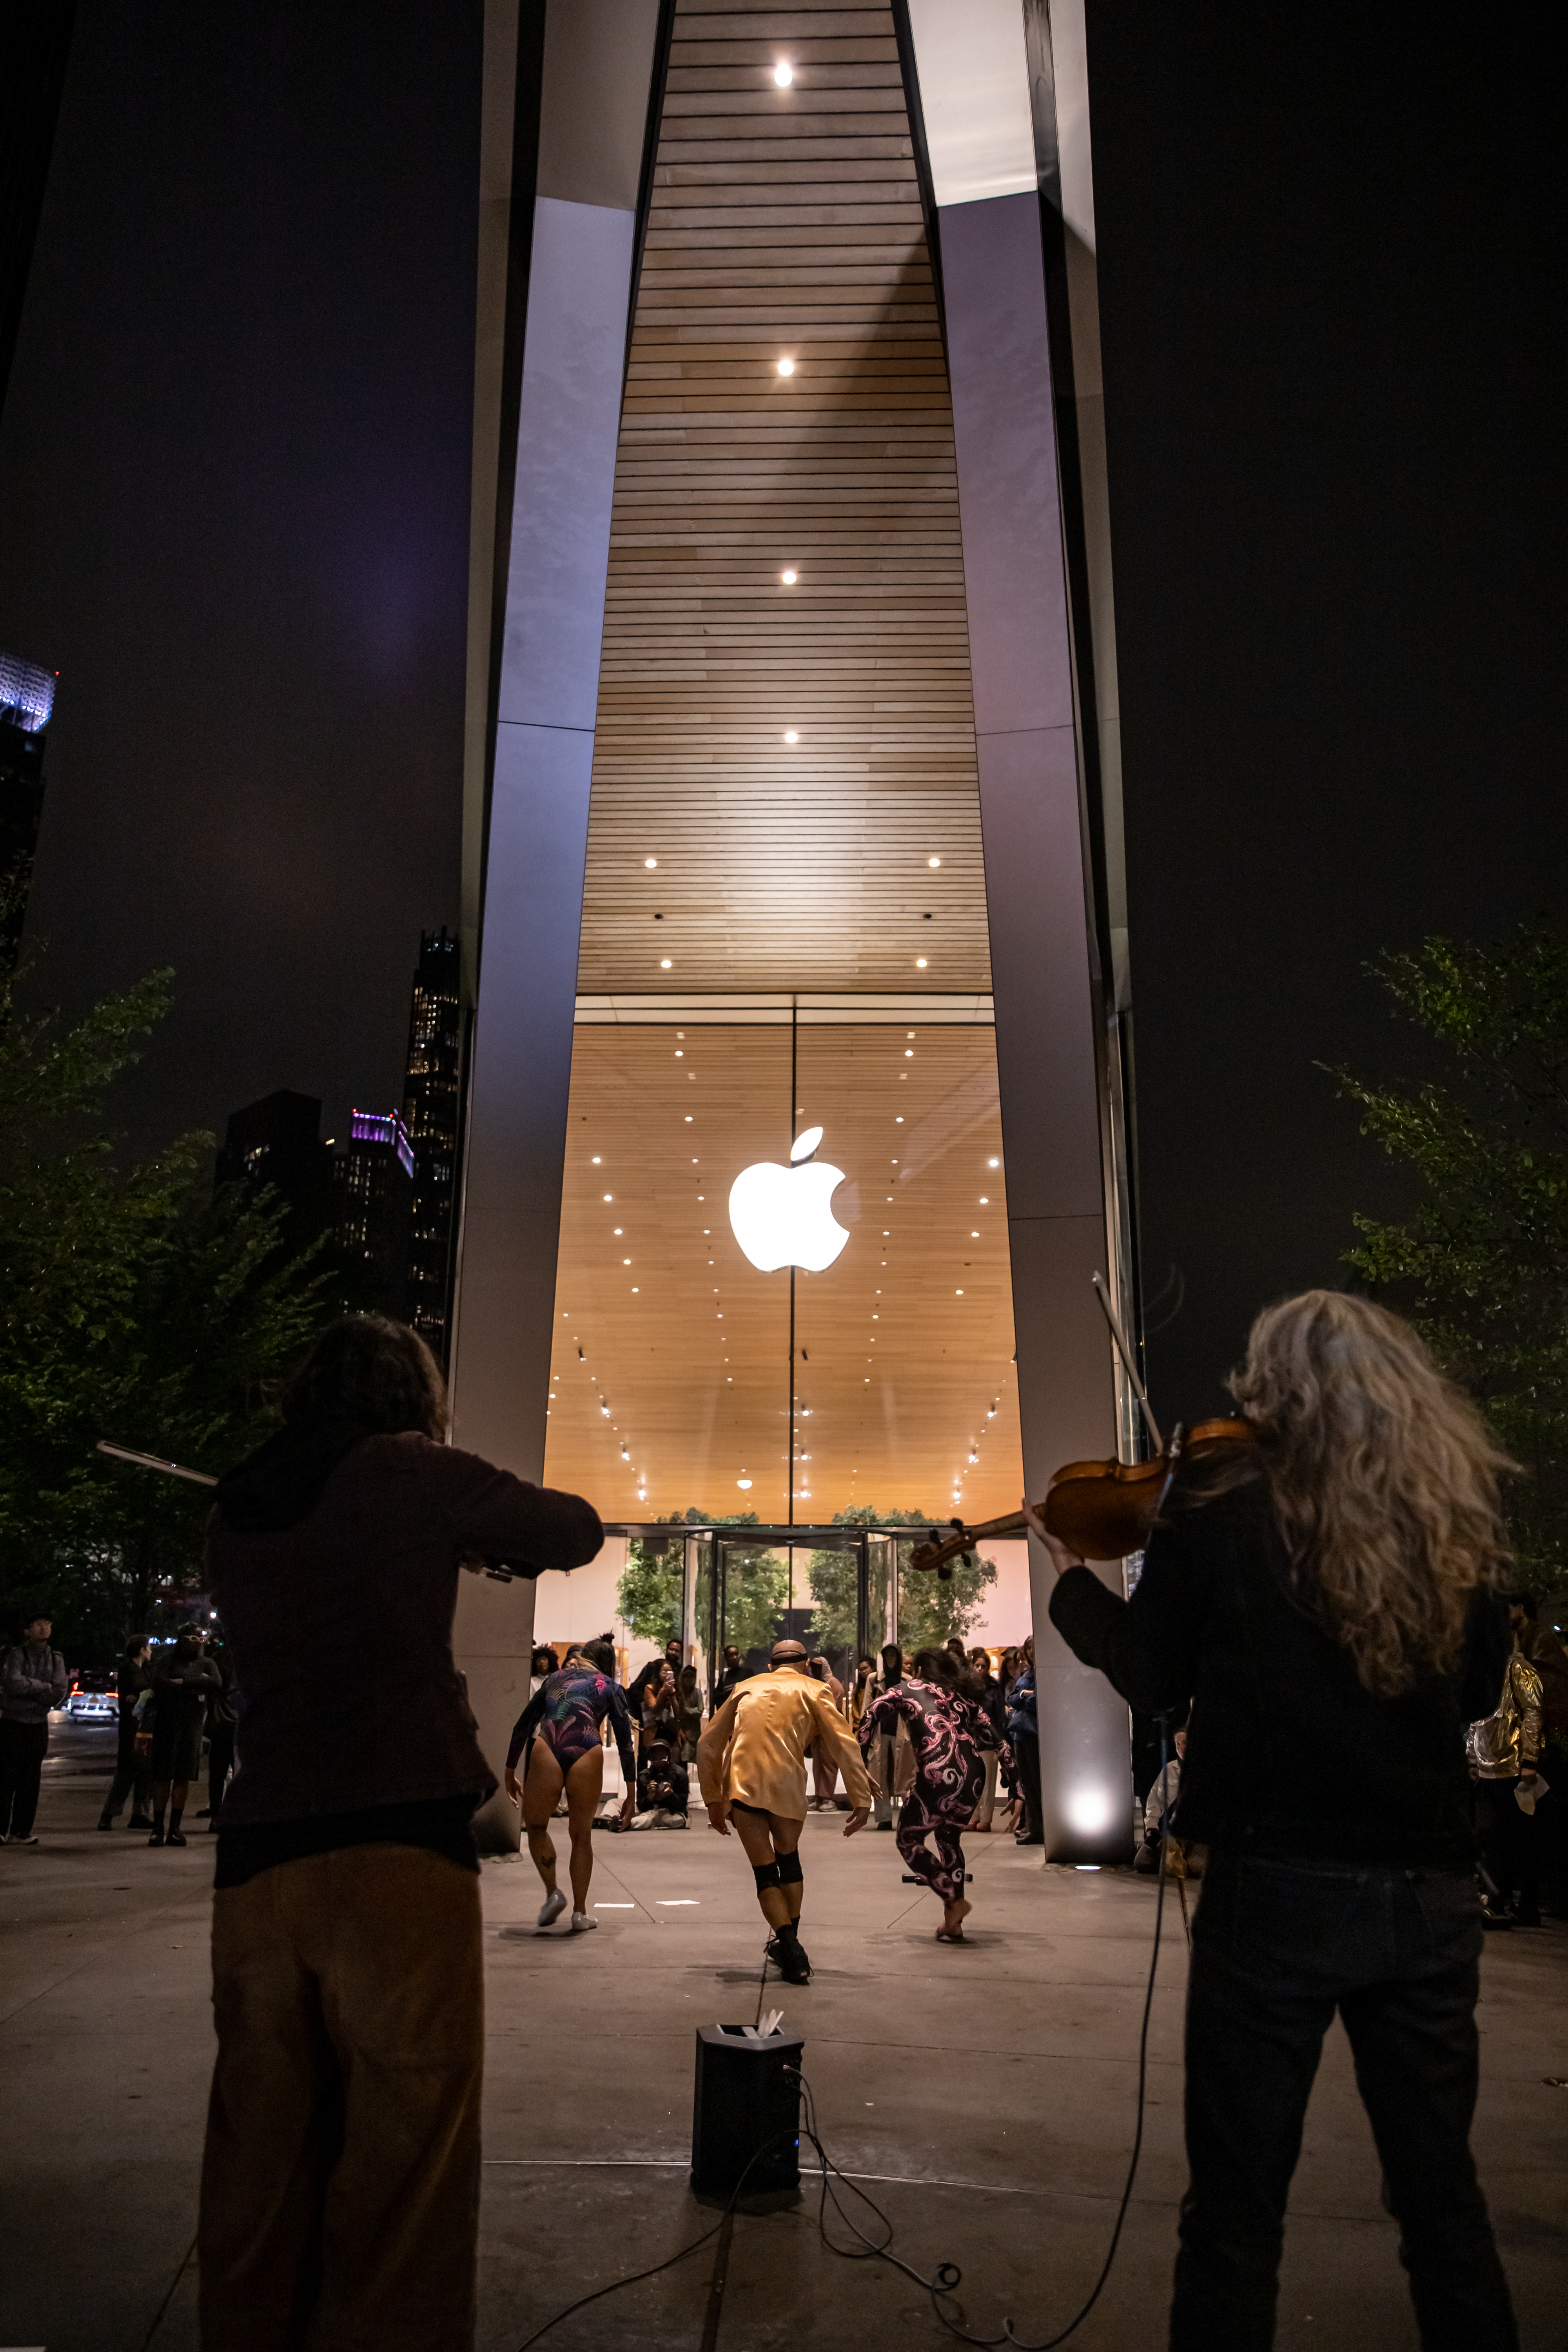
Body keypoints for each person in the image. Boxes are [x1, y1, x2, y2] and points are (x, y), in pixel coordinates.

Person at [1034, 1289, 1519, 2351]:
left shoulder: (1221, 1501)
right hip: (1432, 1896)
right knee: (1444, 2205)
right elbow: (1480, 1691)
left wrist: (1075, 1588)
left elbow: (1155, 1678)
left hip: (1277, 1888)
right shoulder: (1450, 1514)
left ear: (1273, 1387)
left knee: (1239, 2215)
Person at [198, 1312, 603, 2352]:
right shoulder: (415, 1471)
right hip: (395, 1848)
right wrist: (465, 1528)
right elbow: (573, 1529)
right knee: (405, 2155)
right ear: (409, 1393)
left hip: (259, 1855)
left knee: (259, 2152)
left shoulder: (239, 1499)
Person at [697, 1637, 871, 1985]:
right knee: (788, 1861)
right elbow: (844, 1742)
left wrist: (713, 1800)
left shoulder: (745, 1688)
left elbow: (708, 1743)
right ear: (807, 1664)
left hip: (743, 1784)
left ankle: (790, 1947)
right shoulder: (816, 1690)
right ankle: (791, 1947)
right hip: (788, 1786)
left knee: (765, 1872)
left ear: (771, 1666)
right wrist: (861, 1798)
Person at [858, 1645, 1008, 1942]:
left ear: (919, 1670)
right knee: (949, 1839)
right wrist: (1017, 1788)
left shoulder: (906, 1689)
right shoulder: (964, 1700)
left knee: (908, 1839)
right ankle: (953, 1924)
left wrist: (859, 1762)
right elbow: (1002, 1744)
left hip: (938, 1772)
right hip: (974, 1774)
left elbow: (870, 1715)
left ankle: (952, 1899)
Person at [504, 1639, 635, 1924]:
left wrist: (509, 1768)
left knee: (537, 1826)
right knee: (581, 1836)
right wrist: (632, 1790)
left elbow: (524, 1725)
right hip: (586, 1749)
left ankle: (553, 1893)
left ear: (584, 1657)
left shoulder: (555, 1678)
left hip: (548, 1747)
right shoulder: (610, 1686)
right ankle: (580, 1912)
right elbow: (625, 1742)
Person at [1468, 1606, 1543, 1928]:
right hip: (1488, 1768)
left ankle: (1522, 1904)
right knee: (1492, 1837)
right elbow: (1476, 1721)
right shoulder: (1489, 1674)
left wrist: (1529, 1760)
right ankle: (1498, 1899)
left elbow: (1533, 1714)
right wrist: (1472, 1757)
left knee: (1517, 1840)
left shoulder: (1520, 1671)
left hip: (1513, 1769)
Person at [145, 1623, 223, 1847]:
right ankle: (158, 1829)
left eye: (199, 1639)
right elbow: (159, 1684)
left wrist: (184, 1682)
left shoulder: (207, 1663)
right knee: (162, 1777)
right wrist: (194, 1687)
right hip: (167, 1725)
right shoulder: (166, 1662)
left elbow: (216, 1682)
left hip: (192, 1726)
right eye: (191, 1638)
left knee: (184, 1777)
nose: (196, 1642)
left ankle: (175, 1829)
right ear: (181, 1639)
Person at [0, 1611, 67, 1846]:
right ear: (28, 1630)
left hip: (38, 1723)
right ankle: (1, 1829)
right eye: (39, 1624)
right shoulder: (17, 1654)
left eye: (48, 1624)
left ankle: (22, 1830)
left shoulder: (56, 1658)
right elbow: (12, 1682)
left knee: (31, 1779)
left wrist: (36, 1695)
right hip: (13, 1723)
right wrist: (42, 1687)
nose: (44, 1628)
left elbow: (60, 1690)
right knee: (7, 1777)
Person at [98, 1636, 156, 1832]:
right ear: (141, 1650)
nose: (151, 1651)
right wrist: (144, 1693)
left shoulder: (146, 1670)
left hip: (145, 1726)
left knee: (146, 1770)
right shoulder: (129, 1669)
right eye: (149, 1647)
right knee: (127, 1770)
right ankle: (108, 1815)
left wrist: (142, 1695)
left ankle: (140, 1815)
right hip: (131, 1727)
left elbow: (148, 1690)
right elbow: (145, 1688)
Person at [867, 1641, 915, 1830]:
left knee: (905, 1774)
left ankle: (910, 1816)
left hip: (901, 1730)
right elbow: (867, 1707)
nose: (891, 1659)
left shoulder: (908, 1680)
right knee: (880, 1775)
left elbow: (912, 1707)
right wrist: (865, 1730)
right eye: (887, 1656)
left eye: (894, 1656)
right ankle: (884, 1818)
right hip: (880, 1730)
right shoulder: (874, 1679)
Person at [1135, 1720, 1190, 1874]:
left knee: (1196, 1866)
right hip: (1168, 1831)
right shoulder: (1170, 1769)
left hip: (1191, 1833)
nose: (1180, 1748)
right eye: (1177, 1744)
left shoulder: (1204, 1770)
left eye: (1185, 1743)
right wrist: (1152, 1827)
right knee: (1142, 1863)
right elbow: (1155, 1801)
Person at [196, 1637, 238, 1829]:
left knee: (217, 1772)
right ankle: (235, 1814)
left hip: (220, 1725)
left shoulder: (216, 1660)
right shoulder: (246, 1659)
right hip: (240, 1724)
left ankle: (216, 1812)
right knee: (238, 1771)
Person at [1006, 1636, 1043, 1845]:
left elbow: (1041, 1699)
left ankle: (1042, 1827)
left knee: (1038, 1783)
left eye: (1034, 1647)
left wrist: (1024, 1696)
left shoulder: (1043, 1673)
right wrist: (1025, 1695)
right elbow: (1012, 1698)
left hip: (1036, 1734)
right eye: (1029, 1648)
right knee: (1027, 1783)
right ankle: (1035, 1828)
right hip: (1020, 1734)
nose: (1031, 1652)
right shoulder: (1027, 1675)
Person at [967, 1648, 1005, 1829]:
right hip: (971, 1739)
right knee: (972, 1781)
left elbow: (999, 1715)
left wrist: (1001, 1741)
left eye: (983, 1666)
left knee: (989, 1780)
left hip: (989, 1740)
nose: (980, 1669)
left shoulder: (994, 1687)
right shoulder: (968, 1688)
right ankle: (973, 1817)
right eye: (977, 1666)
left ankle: (986, 1819)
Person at [807, 1653, 846, 1808]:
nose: (815, 1670)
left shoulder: (833, 1683)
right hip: (817, 1729)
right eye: (813, 1667)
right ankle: (819, 1797)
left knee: (829, 1764)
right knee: (817, 1764)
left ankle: (828, 1797)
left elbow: (834, 1706)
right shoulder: (814, 1683)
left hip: (830, 1729)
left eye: (818, 1667)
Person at [627, 1637, 684, 1740]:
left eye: (677, 1651)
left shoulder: (681, 1672)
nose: (674, 1653)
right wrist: (647, 1705)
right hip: (650, 1721)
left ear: (681, 1654)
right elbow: (635, 1690)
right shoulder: (653, 1666)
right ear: (667, 1650)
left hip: (670, 1722)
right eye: (672, 1649)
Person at [628, 1736, 689, 1828]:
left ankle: (630, 1823)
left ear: (669, 1756)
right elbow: (641, 1806)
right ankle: (614, 1820)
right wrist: (650, 1797)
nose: (659, 1760)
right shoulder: (644, 1776)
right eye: (655, 1757)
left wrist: (670, 1795)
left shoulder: (680, 1774)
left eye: (662, 1757)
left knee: (675, 1820)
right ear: (651, 1758)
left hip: (671, 1813)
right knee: (614, 1803)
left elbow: (682, 1806)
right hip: (650, 1811)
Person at [675, 1661, 705, 1763]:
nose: (689, 1679)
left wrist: (686, 1710)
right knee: (679, 1759)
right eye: (686, 1676)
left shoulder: (697, 1693)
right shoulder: (678, 1692)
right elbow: (676, 1711)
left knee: (694, 1757)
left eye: (692, 1676)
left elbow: (700, 1710)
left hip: (693, 1730)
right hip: (679, 1728)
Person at [711, 1641, 746, 1709]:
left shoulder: (748, 1673)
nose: (735, 1658)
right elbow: (719, 1700)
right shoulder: (724, 1677)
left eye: (737, 1654)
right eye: (731, 1656)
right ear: (726, 1659)